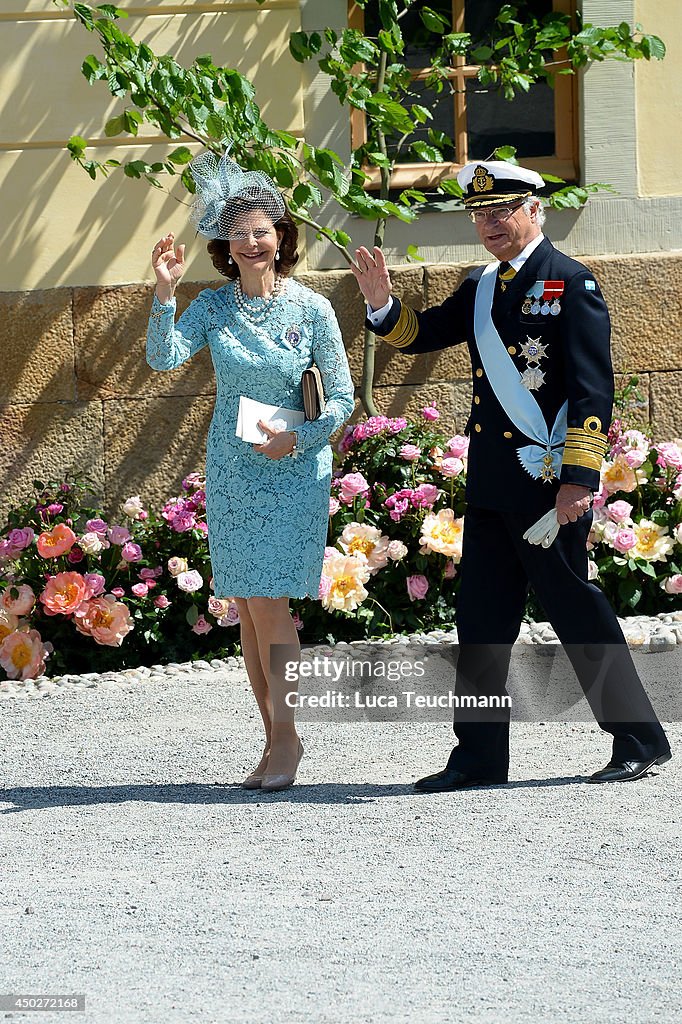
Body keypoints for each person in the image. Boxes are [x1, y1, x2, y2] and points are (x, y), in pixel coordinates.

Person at [351, 159, 671, 791]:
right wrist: (382, 304)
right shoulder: (479, 285)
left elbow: (589, 389)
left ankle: (639, 738)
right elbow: (425, 334)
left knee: (575, 609)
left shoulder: (570, 282)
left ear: (535, 210)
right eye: (480, 214)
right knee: (481, 621)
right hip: (495, 480)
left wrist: (580, 476)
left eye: (501, 211)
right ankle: (477, 760)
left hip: (547, 482)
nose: (489, 223)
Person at [146, 151, 355, 791]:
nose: (252, 242)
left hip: (293, 470)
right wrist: (163, 291)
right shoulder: (214, 307)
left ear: (281, 237)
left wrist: (293, 438)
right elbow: (163, 357)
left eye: (262, 230)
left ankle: (288, 742)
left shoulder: (312, 310)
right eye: (239, 234)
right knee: (246, 604)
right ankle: (271, 742)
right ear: (225, 246)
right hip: (233, 469)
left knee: (270, 605)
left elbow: (343, 399)